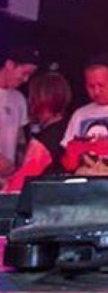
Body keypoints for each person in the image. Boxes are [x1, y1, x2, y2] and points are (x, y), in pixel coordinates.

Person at [3, 72, 71, 192]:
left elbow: (22, 181)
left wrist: (5, 186)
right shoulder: (71, 127)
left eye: (32, 97)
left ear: (39, 99)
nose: (29, 101)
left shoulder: (44, 141)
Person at [0, 45, 40, 178]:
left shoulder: (19, 99)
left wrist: (21, 166)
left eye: (29, 75)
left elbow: (20, 139)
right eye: (24, 73)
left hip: (7, 179)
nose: (25, 79)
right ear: (9, 65)